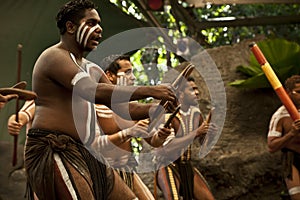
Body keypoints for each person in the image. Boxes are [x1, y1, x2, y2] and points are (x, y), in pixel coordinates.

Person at [25, 1, 176, 199]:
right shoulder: (53, 57)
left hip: (86, 153)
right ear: (70, 27)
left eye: (99, 24)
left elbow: (123, 108)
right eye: (91, 23)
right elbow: (91, 91)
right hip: (56, 149)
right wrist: (152, 90)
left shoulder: (92, 69)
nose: (99, 29)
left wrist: (156, 108)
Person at [95, 55, 172, 200]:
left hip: (128, 170)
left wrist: (161, 135)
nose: (133, 78)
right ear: (109, 76)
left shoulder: (132, 110)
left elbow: (154, 142)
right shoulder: (95, 107)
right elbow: (94, 145)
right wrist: (128, 132)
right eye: (128, 72)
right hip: (105, 174)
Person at [155, 75, 215, 200]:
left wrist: (209, 134)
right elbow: (168, 148)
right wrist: (196, 133)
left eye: (196, 88)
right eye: (192, 90)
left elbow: (202, 143)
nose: (197, 92)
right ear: (180, 94)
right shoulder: (167, 116)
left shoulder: (196, 114)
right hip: (167, 165)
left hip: (186, 165)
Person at [267, 75, 300, 200]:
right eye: (299, 92)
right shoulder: (280, 116)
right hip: (292, 159)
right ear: (288, 93)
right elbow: (271, 146)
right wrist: (292, 134)